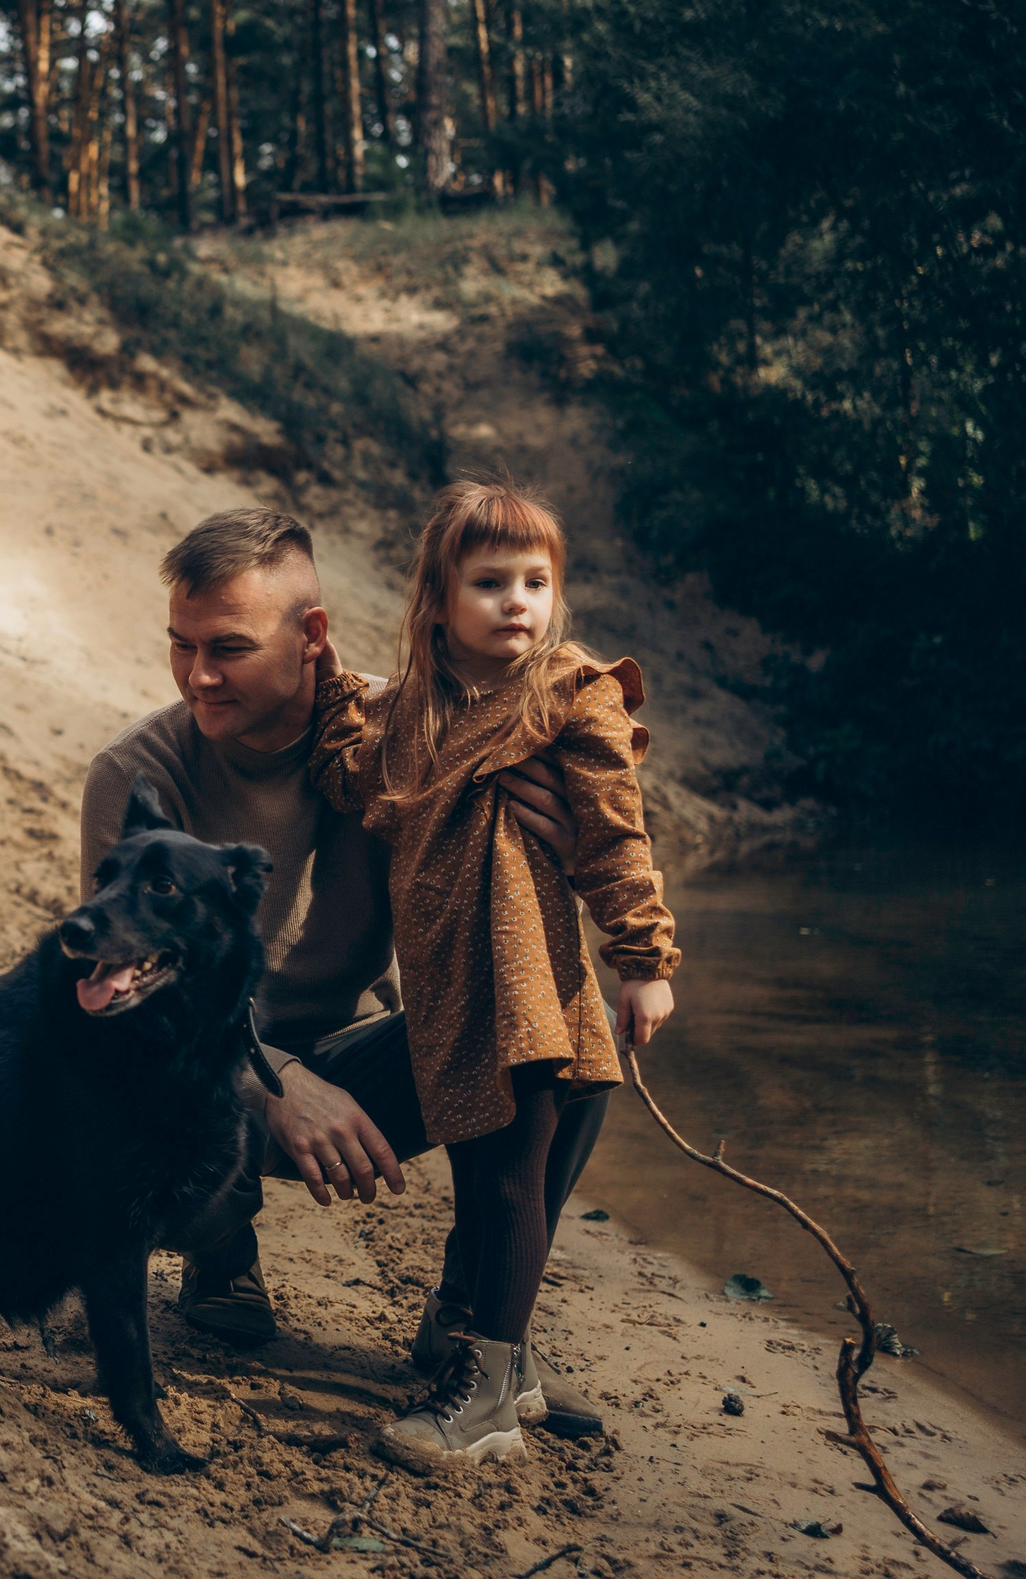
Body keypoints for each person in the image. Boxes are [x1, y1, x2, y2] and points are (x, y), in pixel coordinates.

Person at [80, 506, 615, 1442]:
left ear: (312, 636)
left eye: (229, 648)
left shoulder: (407, 733)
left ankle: (469, 1317)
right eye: (182, 645)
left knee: (566, 1035)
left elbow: (497, 912)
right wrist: (279, 1082)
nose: (197, 674)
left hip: (347, 1054)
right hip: (208, 1072)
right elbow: (137, 1015)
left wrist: (568, 844)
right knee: (155, 1130)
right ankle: (220, 1249)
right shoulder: (138, 774)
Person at [308, 480, 676, 1468]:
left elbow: (612, 833)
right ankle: (495, 1363)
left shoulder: (567, 691)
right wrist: (330, 690)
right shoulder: (418, 713)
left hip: (526, 992)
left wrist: (640, 960)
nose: (518, 600)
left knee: (510, 1186)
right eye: (489, 582)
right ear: (437, 602)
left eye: (535, 580)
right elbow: (352, 778)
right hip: (448, 996)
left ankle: (482, 1399)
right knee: (478, 1187)